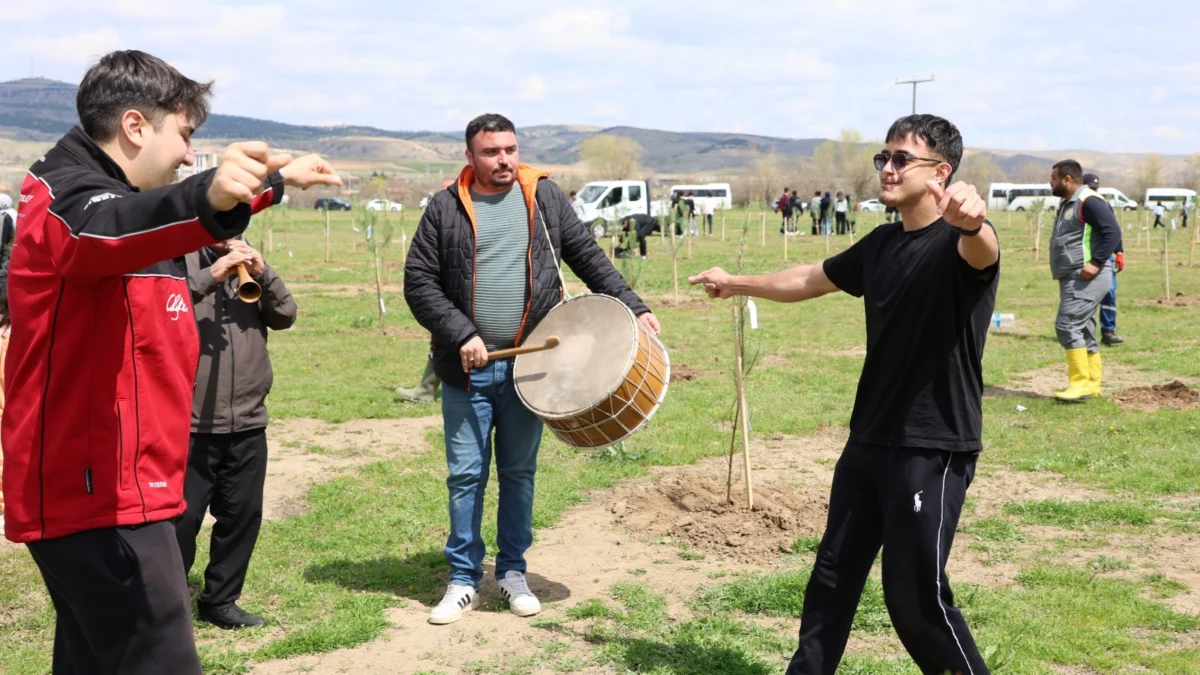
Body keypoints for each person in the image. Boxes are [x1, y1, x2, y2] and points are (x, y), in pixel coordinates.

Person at [1, 50, 339, 674]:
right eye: (184, 136)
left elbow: (148, 247)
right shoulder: (70, 202)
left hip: (127, 487)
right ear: (135, 126)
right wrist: (209, 192)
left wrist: (271, 184)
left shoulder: (118, 200)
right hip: (101, 500)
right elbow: (104, 232)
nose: (188, 154)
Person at [691, 113, 999, 675]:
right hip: (868, 440)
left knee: (914, 598)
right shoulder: (881, 244)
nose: (886, 167)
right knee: (831, 577)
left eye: (901, 158)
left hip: (930, 446)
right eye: (882, 157)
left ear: (941, 171)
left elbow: (983, 252)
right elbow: (810, 279)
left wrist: (974, 223)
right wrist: (735, 283)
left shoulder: (959, 245)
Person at [404, 113, 660, 626]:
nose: (504, 160)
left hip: (533, 370)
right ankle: (462, 579)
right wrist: (462, 335)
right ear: (471, 156)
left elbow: (588, 257)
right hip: (467, 371)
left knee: (518, 474)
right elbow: (420, 281)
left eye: (510, 149)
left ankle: (513, 573)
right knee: (466, 475)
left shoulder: (544, 198)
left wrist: (633, 306)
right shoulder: (444, 207)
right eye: (491, 152)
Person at [173, 238, 296, 630]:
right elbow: (163, 310)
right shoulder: (176, 257)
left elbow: (286, 315)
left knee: (242, 517)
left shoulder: (250, 265)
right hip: (189, 423)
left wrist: (263, 273)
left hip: (247, 420)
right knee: (181, 520)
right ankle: (168, 604)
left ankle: (221, 600)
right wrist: (213, 275)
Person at [1047, 159, 1122, 402]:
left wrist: (1096, 263)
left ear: (1067, 179)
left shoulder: (1089, 201)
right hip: (1074, 275)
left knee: (1067, 325)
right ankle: (1092, 383)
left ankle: (1079, 384)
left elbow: (1113, 231)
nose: (1051, 183)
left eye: (1054, 178)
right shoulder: (1069, 202)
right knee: (1084, 327)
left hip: (1087, 275)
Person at [1083, 174, 1125, 346]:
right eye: (1090, 188)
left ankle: (1108, 331)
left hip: (1104, 254)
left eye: (1095, 188)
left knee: (1109, 292)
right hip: (1086, 255)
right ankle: (1084, 333)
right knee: (1086, 295)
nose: (1093, 191)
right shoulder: (1081, 204)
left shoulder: (1102, 204)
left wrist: (1119, 252)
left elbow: (1114, 229)